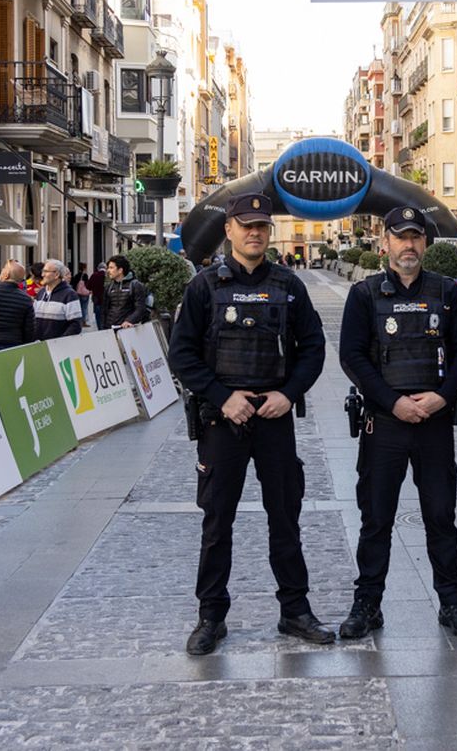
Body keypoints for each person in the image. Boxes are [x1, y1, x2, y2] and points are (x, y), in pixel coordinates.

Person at [167, 193, 333, 655]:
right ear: (229, 231)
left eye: (261, 225)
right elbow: (181, 354)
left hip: (274, 417)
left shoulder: (289, 285)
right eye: (246, 225)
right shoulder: (204, 287)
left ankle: (295, 610)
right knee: (217, 522)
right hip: (224, 422)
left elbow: (314, 348)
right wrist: (222, 397)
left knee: (285, 518)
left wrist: (288, 393)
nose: (255, 232)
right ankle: (211, 616)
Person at [338, 206, 457, 640]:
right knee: (376, 519)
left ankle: (453, 603)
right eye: (401, 237)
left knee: (440, 516)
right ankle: (367, 605)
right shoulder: (364, 295)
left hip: (434, 423)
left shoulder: (446, 291)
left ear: (425, 243)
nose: (409, 245)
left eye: (416, 237)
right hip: (385, 424)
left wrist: (442, 396)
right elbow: (352, 356)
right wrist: (393, 402)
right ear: (386, 244)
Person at [33, 259, 84, 340]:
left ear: (56, 275)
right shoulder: (41, 293)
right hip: (39, 345)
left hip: (57, 345)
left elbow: (76, 325)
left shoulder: (70, 295)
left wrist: (59, 342)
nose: (42, 275)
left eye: (46, 271)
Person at [102, 255, 151, 329]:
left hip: (128, 330)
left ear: (120, 270)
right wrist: (104, 327)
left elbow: (140, 308)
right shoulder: (109, 287)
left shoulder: (135, 285)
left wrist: (129, 320)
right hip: (110, 329)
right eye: (108, 268)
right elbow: (104, 311)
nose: (108, 271)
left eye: (111, 268)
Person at [86, 261, 109, 330]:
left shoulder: (94, 275)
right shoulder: (108, 276)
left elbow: (88, 286)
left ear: (98, 268)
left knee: (98, 315)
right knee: (106, 315)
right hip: (107, 300)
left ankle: (100, 329)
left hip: (97, 299)